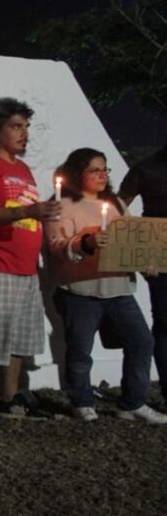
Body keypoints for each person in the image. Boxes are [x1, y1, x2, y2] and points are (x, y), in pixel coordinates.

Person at [46, 149, 166, 423]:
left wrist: (146, 261)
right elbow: (56, 246)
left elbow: (131, 240)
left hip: (118, 289)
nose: (102, 175)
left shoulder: (115, 203)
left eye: (105, 170)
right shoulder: (62, 206)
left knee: (141, 341)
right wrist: (85, 243)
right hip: (81, 291)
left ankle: (133, 402)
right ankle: (82, 401)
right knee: (80, 350)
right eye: (95, 170)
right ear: (78, 173)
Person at [0, 97, 59, 426]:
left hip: (26, 268)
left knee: (20, 337)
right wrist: (27, 211)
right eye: (16, 127)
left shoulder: (23, 169)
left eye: (26, 127)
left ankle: (9, 397)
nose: (24, 134)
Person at [118, 142, 167, 409]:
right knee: (165, 323)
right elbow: (116, 209)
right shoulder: (146, 169)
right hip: (160, 257)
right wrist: (141, 250)